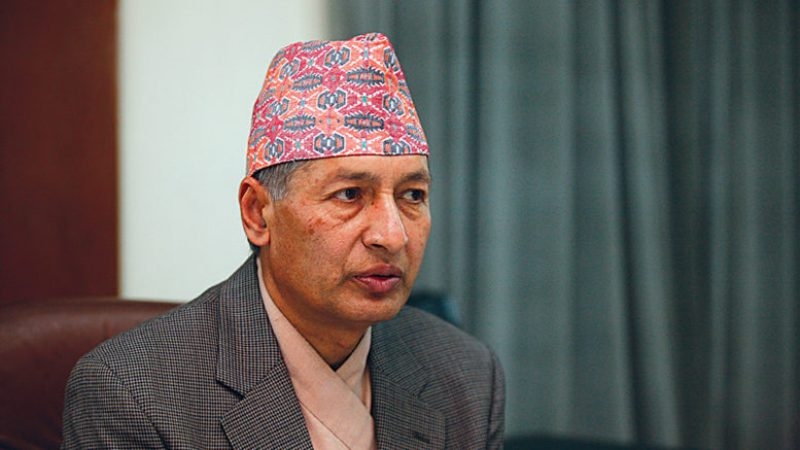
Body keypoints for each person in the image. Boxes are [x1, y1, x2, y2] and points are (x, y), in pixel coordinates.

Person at [62, 32, 504, 449]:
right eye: (349, 195)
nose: (392, 235)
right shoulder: (132, 393)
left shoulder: (465, 374)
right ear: (258, 213)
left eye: (412, 196)